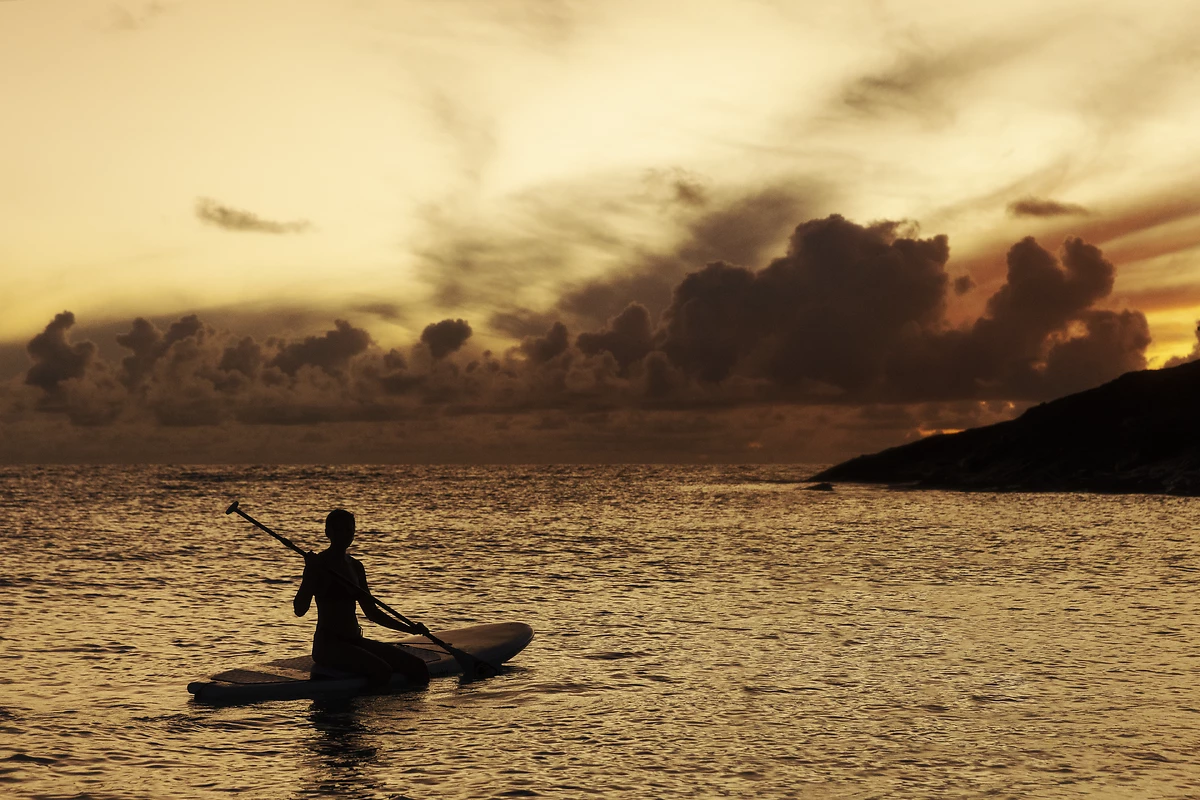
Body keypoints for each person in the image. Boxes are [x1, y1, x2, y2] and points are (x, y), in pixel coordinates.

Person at [293, 508, 431, 688]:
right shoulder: (318, 565)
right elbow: (299, 609)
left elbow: (373, 613)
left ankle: (408, 714)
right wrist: (310, 572)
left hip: (355, 641)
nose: (345, 535)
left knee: (418, 666)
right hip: (328, 647)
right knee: (382, 670)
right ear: (328, 532)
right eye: (339, 530)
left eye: (349, 530)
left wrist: (410, 629)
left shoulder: (356, 567)